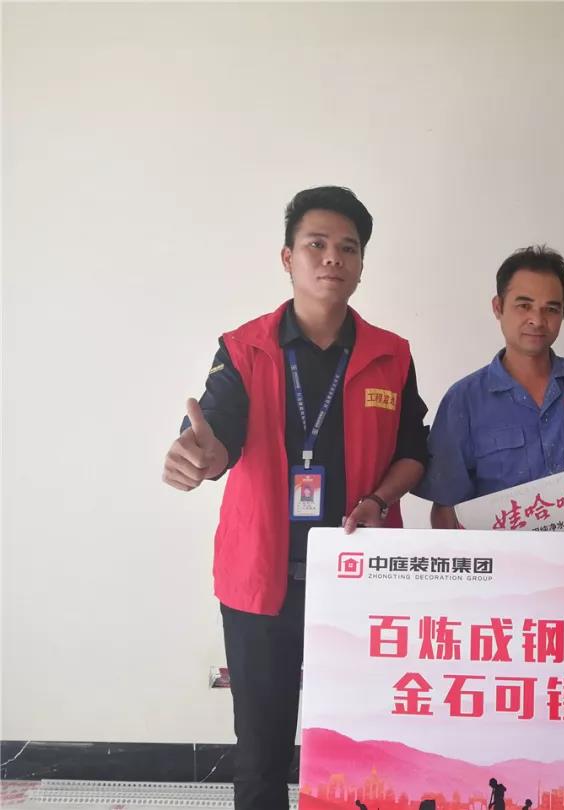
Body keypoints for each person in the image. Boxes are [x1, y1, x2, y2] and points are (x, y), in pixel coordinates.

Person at [161, 186, 428, 810]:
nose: (333, 258)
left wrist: (379, 500)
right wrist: (200, 455)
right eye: (317, 244)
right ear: (288, 257)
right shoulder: (244, 348)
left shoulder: (391, 355)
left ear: (361, 264)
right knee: (261, 751)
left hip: (360, 579)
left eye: (348, 248)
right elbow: (218, 431)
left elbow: (415, 450)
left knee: (365, 743)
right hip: (262, 580)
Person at [417, 246, 564, 527]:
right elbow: (446, 507)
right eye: (524, 306)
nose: (537, 320)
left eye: (551, 309)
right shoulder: (463, 400)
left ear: (563, 313)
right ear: (498, 307)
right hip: (502, 555)